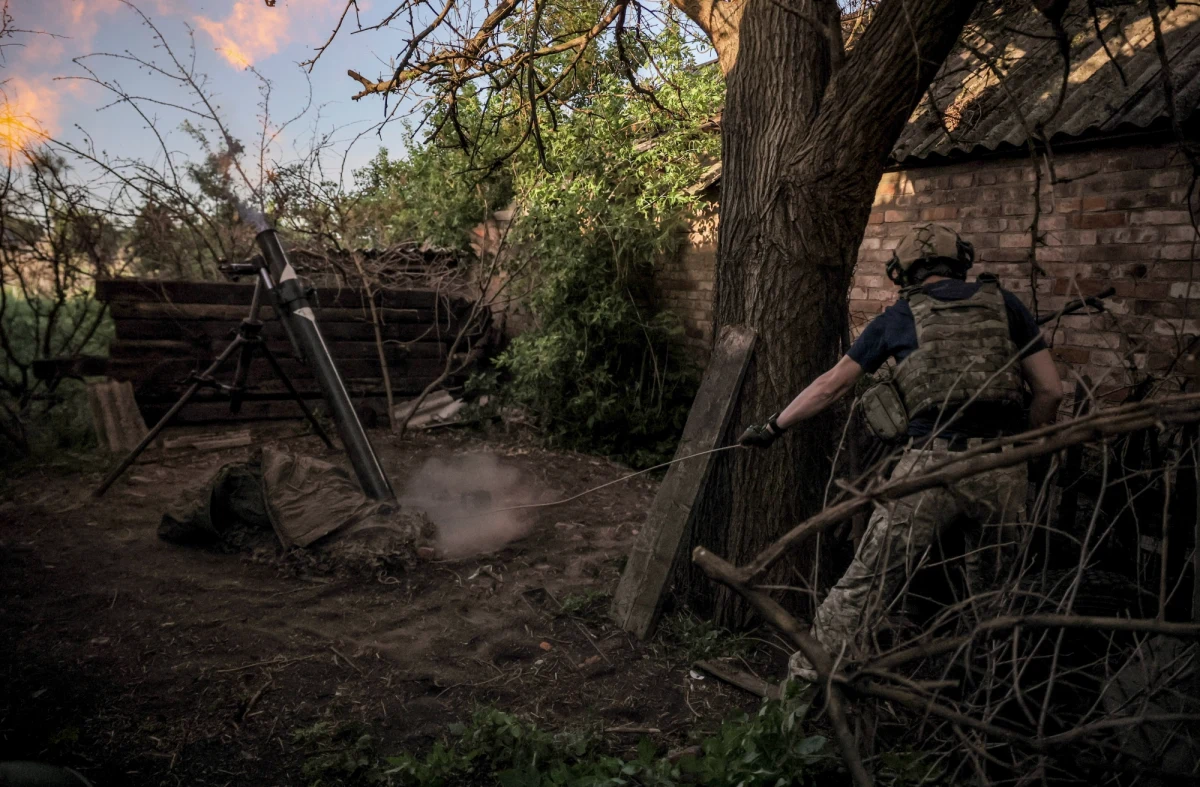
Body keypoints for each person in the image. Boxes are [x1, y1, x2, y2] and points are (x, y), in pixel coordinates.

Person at [738, 223, 1063, 682]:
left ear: (904, 272)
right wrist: (1026, 450)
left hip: (928, 466)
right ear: (960, 262)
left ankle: (805, 686)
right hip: (1001, 463)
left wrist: (773, 427)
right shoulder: (1005, 305)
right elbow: (1050, 391)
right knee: (996, 597)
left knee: (865, 583)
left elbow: (830, 387)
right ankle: (991, 693)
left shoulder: (898, 317)